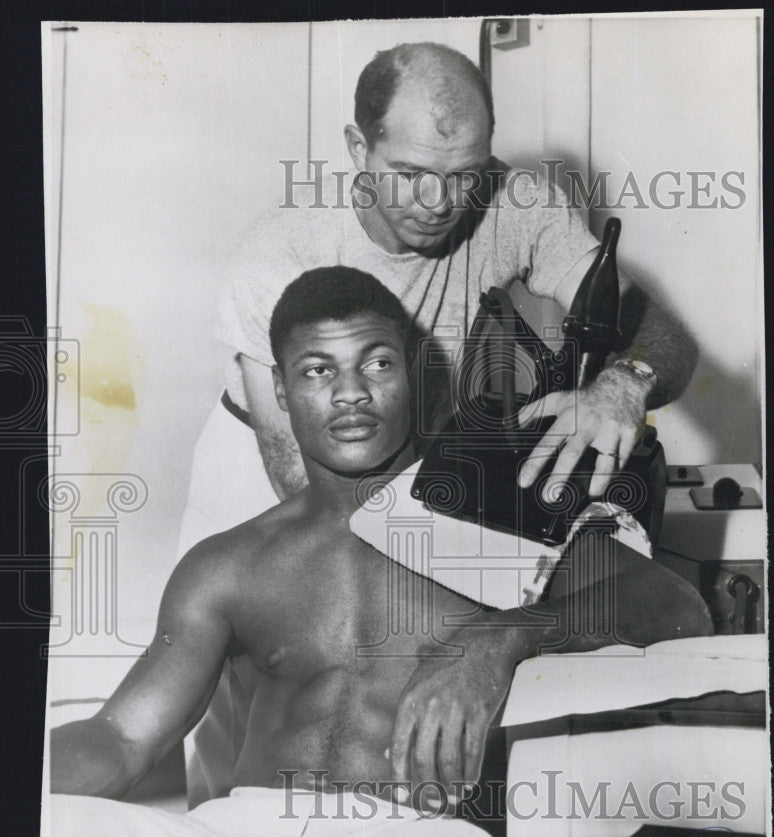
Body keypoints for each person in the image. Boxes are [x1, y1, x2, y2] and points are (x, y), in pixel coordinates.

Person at [51, 267, 712, 837]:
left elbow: (676, 606)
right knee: (64, 834)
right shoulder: (229, 564)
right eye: (318, 370)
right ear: (281, 391)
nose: (351, 394)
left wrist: (502, 637)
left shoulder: (490, 515)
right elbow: (123, 740)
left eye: (377, 363)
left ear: (412, 375)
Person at [178, 41, 697, 555]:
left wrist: (625, 386)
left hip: (409, 457)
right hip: (263, 468)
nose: (439, 205)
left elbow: (661, 336)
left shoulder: (516, 202)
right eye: (411, 175)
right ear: (359, 148)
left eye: (463, 176)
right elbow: (296, 472)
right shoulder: (279, 249)